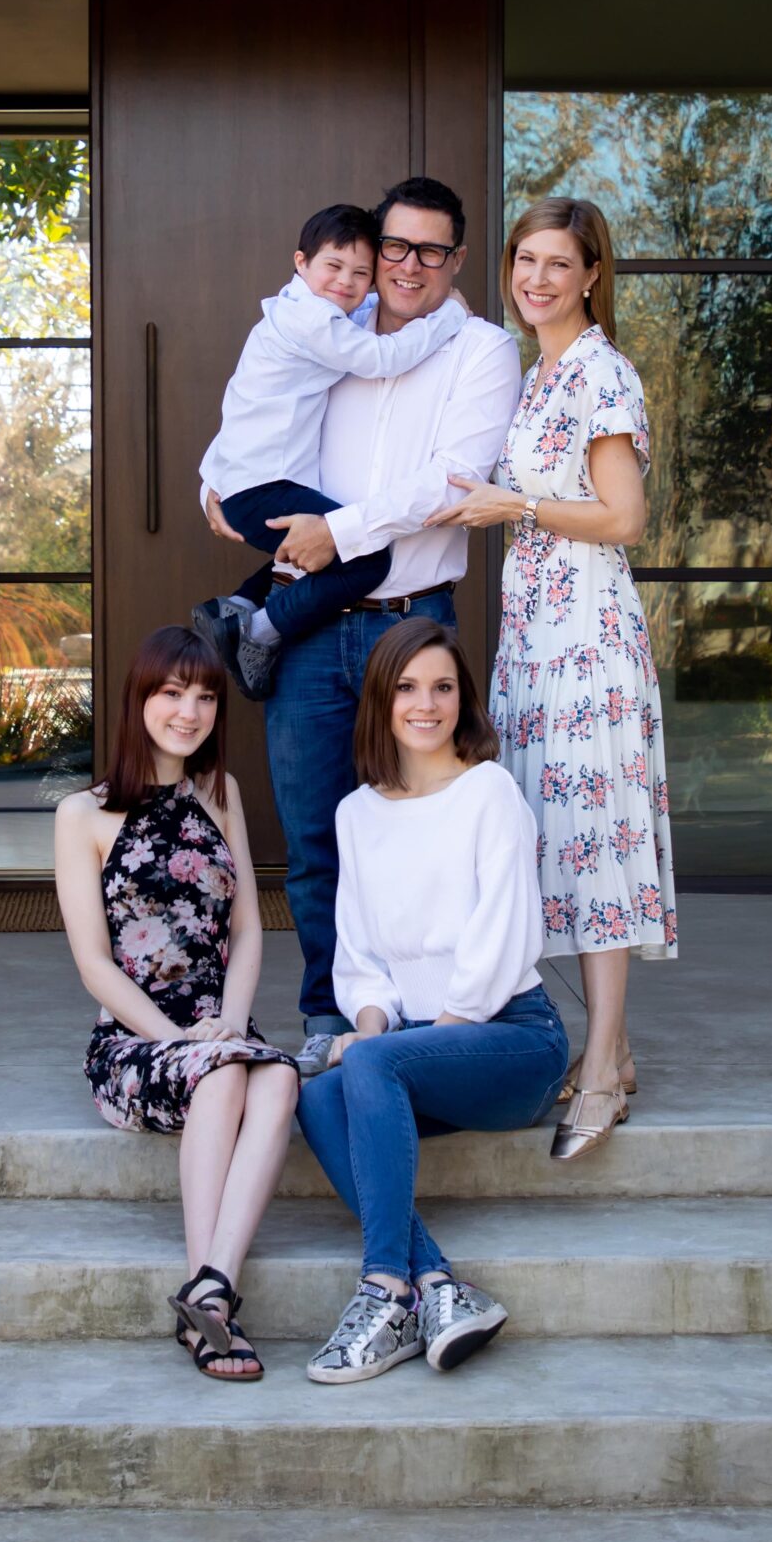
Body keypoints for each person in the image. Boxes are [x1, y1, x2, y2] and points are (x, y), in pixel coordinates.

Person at [205, 177, 522, 1067]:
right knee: (312, 842)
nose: (407, 266)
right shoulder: (323, 329)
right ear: (370, 249)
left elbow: (450, 486)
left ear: (455, 260)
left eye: (431, 251)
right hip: (309, 627)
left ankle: (426, 1021)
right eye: (395, 247)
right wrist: (214, 480)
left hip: (410, 629)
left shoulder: (480, 349)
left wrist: (333, 530)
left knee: (422, 835)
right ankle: (328, 1021)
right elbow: (255, 408)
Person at [424, 196, 676, 1165]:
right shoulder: (541, 375)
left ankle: (606, 1062)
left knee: (599, 848)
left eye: (557, 264)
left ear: (591, 275)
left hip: (588, 642)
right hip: (535, 640)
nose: (535, 278)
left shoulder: (602, 374)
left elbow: (623, 518)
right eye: (524, 259)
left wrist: (516, 502)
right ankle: (610, 1048)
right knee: (559, 841)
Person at [295, 619, 569, 1383]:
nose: (426, 704)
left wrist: (406, 1046)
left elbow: (503, 937)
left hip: (510, 1040)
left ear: (462, 699)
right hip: (414, 1045)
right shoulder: (357, 813)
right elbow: (360, 954)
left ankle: (384, 1291)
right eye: (407, 687)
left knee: (370, 1068)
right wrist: (373, 1028)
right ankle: (440, 1287)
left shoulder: (488, 792)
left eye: (442, 687)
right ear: (380, 701)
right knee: (317, 1100)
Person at [54, 625, 299, 1379]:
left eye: (203, 698)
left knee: (280, 1074)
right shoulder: (83, 815)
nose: (187, 713)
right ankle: (212, 1294)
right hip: (137, 1037)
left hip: (218, 1021)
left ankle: (208, 1292)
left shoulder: (220, 794)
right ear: (139, 700)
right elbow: (94, 963)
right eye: (170, 694)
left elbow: (251, 928)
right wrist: (174, 1038)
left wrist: (228, 1017)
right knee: (224, 1075)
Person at [194, 202, 466, 700]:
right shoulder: (315, 323)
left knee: (315, 551)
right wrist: (446, 316)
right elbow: (385, 355)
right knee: (367, 556)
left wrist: (212, 479)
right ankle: (257, 632)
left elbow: (242, 405)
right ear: (301, 262)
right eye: (333, 267)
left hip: (249, 481)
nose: (346, 282)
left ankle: (232, 607)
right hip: (262, 485)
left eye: (361, 273)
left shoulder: (302, 310)